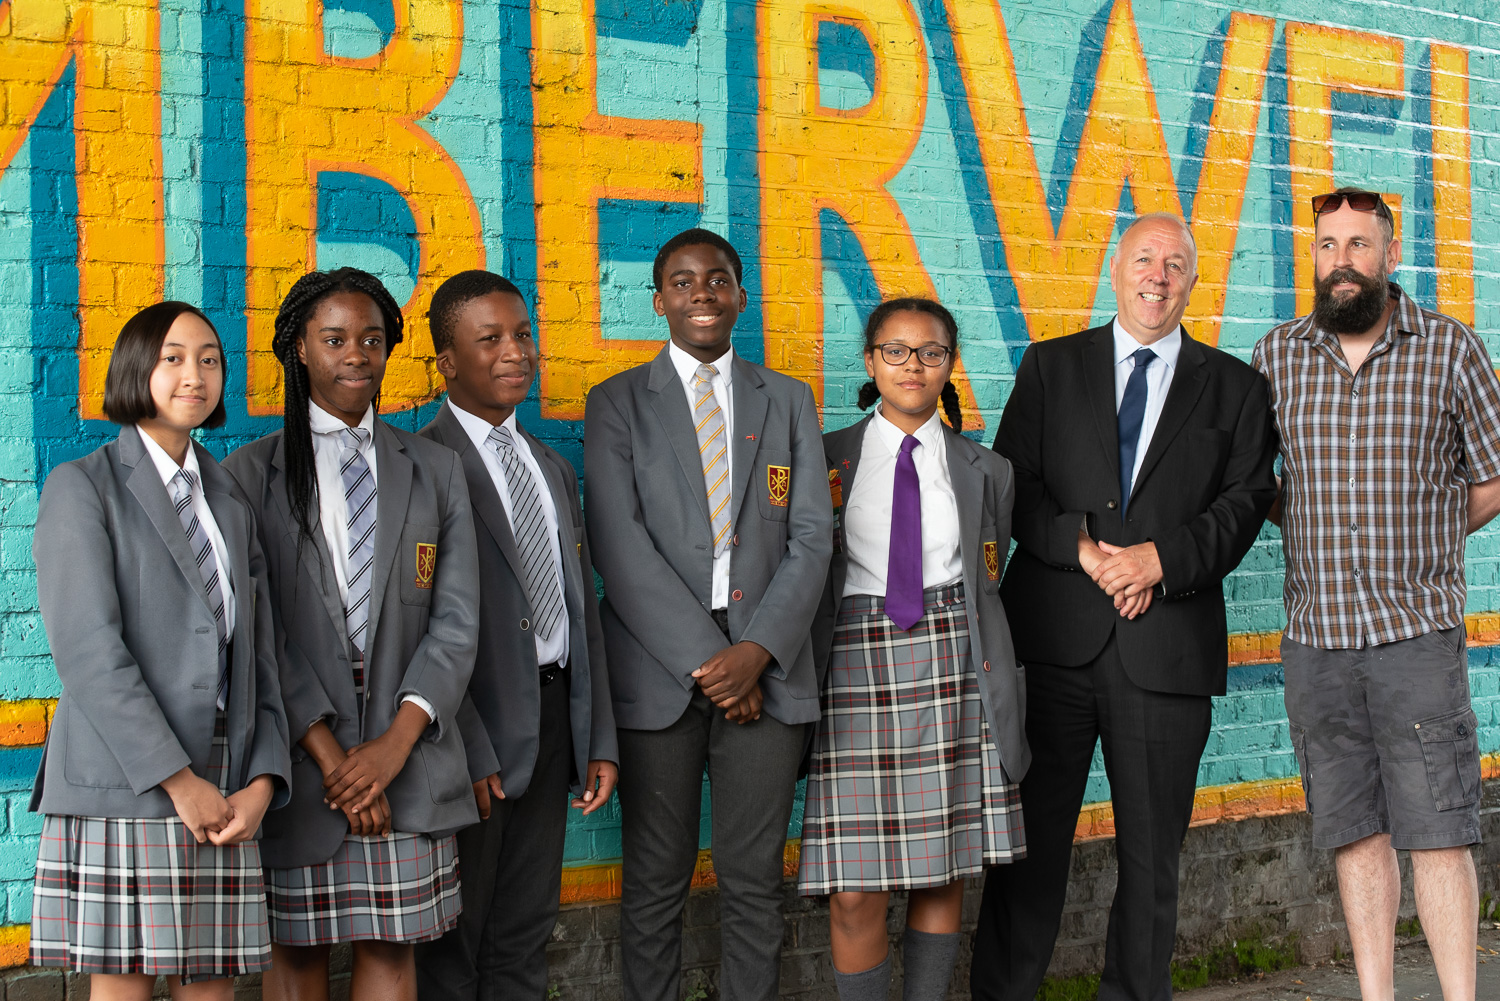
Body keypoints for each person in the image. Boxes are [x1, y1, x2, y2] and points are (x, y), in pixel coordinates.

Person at [972, 213, 1278, 1001]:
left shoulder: (1238, 386)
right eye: (1145, 258)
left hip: (1166, 650)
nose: (1159, 276)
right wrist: (1082, 548)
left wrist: (1160, 560)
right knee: (1029, 851)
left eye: (1176, 264)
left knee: (1151, 862)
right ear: (1116, 270)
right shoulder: (1051, 367)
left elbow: (1246, 502)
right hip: (1052, 644)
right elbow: (1012, 486)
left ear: (1194, 281)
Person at [1252, 187, 1500, 1001]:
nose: (1342, 261)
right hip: (1317, 640)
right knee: (1355, 835)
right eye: (1328, 245)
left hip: (1414, 637)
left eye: (1360, 244)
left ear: (1390, 255)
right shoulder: (1277, 356)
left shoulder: (1451, 348)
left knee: (1437, 833)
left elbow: (1492, 474)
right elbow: (1264, 486)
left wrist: (1430, 535)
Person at [583, 228, 833, 1001]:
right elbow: (618, 547)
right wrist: (712, 661)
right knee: (656, 879)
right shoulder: (618, 402)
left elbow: (813, 538)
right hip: (660, 674)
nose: (702, 293)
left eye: (718, 279)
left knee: (754, 878)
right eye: (684, 282)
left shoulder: (786, 399)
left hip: (768, 673)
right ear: (659, 300)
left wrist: (754, 651)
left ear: (740, 296)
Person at [223, 268, 480, 1001]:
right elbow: (259, 632)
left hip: (409, 741)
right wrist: (338, 761)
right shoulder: (249, 474)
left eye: (372, 338)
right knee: (297, 955)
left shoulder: (434, 468)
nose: (357, 354)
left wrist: (395, 745)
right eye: (335, 339)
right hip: (303, 748)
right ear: (300, 348)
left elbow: (458, 619)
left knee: (391, 944)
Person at [28, 302, 291, 999]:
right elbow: (89, 653)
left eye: (209, 358)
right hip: (131, 778)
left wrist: (262, 781)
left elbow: (259, 655)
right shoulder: (83, 487)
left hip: (228, 777)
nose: (194, 374)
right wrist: (179, 781)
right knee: (127, 985)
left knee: (214, 984)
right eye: (173, 357)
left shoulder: (229, 499)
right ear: (136, 368)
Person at [799, 297, 1028, 1001]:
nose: (913, 365)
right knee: (854, 888)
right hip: (854, 661)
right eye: (895, 350)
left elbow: (989, 579)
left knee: (941, 866)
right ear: (869, 362)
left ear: (948, 364)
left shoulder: (988, 469)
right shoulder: (824, 455)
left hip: (953, 659)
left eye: (930, 352)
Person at [414, 270, 618, 1001]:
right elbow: (417, 624)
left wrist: (596, 735)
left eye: (523, 334)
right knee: (454, 940)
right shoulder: (423, 465)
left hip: (555, 717)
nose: (515, 352)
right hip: (473, 736)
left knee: (525, 931)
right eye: (490, 338)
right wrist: (464, 739)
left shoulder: (552, 467)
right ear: (447, 361)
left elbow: (579, 610)